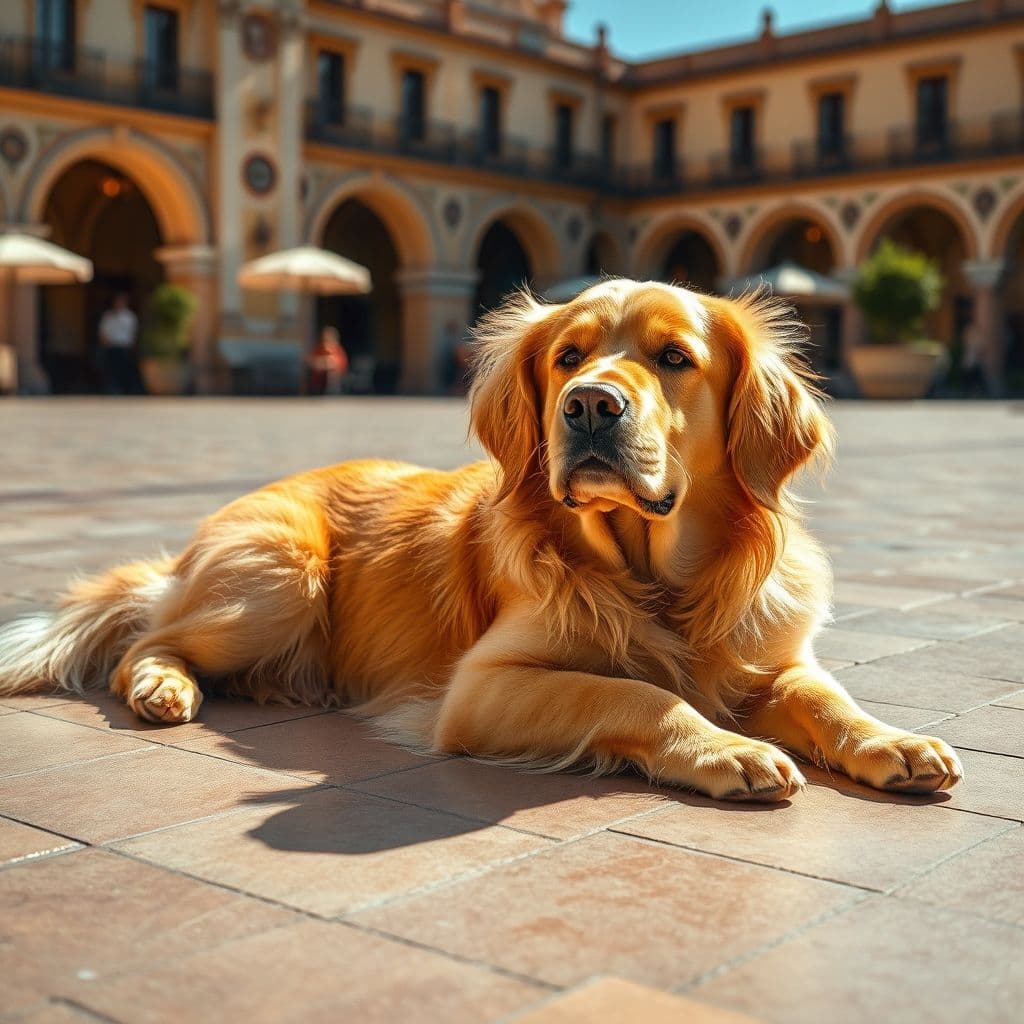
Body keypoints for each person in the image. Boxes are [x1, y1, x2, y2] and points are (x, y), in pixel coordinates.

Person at [97, 293, 141, 395]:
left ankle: (124, 390)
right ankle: (112, 390)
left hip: (124, 348)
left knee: (124, 370)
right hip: (111, 347)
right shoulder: (108, 316)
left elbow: (133, 333)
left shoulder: (130, 317)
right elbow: (102, 332)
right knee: (111, 371)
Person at [306, 326, 348, 396]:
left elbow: (338, 363)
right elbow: (311, 360)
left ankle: (332, 391)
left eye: (328, 337)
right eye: (325, 337)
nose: (326, 339)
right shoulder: (320, 347)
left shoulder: (338, 349)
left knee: (331, 372)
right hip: (318, 377)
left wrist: (325, 362)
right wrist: (321, 363)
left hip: (335, 378)